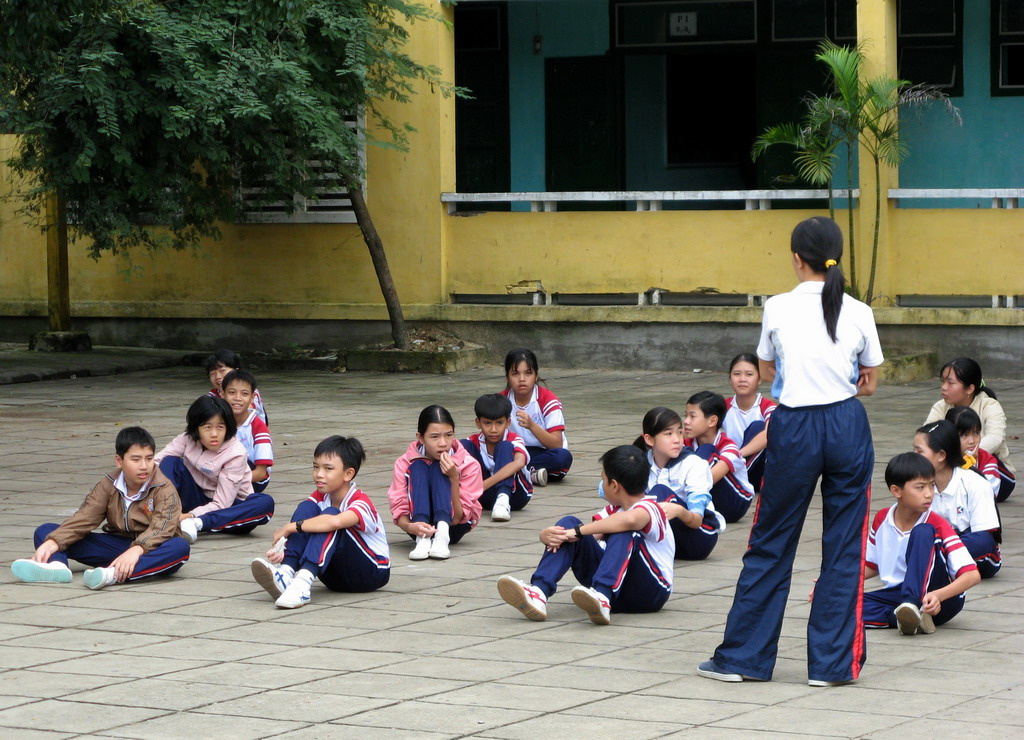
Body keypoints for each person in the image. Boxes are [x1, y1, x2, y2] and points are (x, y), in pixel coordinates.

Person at [699, 216, 883, 687]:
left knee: (772, 541)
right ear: (836, 257)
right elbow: (870, 381)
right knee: (844, 547)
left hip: (795, 424)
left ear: (797, 259)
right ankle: (833, 666)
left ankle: (743, 658)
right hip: (846, 423)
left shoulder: (777, 307)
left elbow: (765, 368)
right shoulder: (859, 310)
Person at [496, 445, 683, 625]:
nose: (601, 483)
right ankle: (539, 593)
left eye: (603, 478)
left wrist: (578, 531)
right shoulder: (611, 511)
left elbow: (631, 520)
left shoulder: (651, 507)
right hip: (618, 592)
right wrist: (550, 536)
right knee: (568, 523)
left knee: (623, 531)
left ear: (615, 485)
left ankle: (602, 595)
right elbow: (585, 538)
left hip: (649, 593)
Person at [11, 427, 190, 590]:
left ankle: (111, 575)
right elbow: (86, 517)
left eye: (149, 459)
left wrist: (137, 550)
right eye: (136, 459)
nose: (144, 466)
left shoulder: (164, 488)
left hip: (152, 550)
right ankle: (57, 567)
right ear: (119, 461)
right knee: (47, 531)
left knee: (180, 547)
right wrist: (55, 542)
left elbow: (162, 528)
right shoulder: (109, 484)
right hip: (117, 546)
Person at [251, 436, 390, 609]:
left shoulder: (360, 502)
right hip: (334, 579)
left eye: (328, 468)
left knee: (330, 517)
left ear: (348, 473)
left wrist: (290, 527)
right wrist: (284, 550)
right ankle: (286, 573)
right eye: (316, 467)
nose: (319, 474)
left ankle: (302, 584)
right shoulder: (319, 498)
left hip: (370, 573)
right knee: (307, 509)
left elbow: (335, 521)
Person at [856, 452, 980, 635]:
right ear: (896, 491)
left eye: (931, 485)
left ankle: (911, 606)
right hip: (897, 594)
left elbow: (972, 575)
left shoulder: (936, 523)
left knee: (923, 531)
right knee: (840, 606)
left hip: (940, 597)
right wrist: (832, 583)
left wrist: (939, 595)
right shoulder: (882, 519)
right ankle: (905, 619)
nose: (929, 494)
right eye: (920, 487)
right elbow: (871, 565)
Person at [156, 395, 275, 543]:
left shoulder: (235, 453)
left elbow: (222, 503)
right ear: (196, 428)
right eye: (207, 427)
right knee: (169, 462)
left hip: (228, 510)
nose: (214, 434)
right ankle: (165, 513)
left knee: (264, 503)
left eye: (220, 427)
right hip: (197, 497)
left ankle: (195, 524)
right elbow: (157, 460)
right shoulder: (187, 439)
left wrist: (192, 516)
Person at [387, 405, 483, 560]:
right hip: (417, 525)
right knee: (418, 466)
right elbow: (399, 504)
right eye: (434, 437)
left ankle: (441, 539)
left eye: (448, 435)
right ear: (420, 437)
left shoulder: (468, 464)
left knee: (440, 468)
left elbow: (459, 517)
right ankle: (422, 540)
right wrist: (410, 526)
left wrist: (453, 478)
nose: (443, 443)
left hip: (452, 526)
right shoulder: (404, 463)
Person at [914, 421, 1001, 579]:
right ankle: (935, 562)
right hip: (935, 541)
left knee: (982, 542)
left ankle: (933, 561)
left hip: (972, 548)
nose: (913, 457)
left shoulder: (975, 483)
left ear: (941, 455)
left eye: (919, 452)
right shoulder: (914, 484)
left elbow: (983, 535)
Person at [634, 407, 724, 560]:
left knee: (661, 492)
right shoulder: (641, 463)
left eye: (680, 432)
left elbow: (696, 520)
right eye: (669, 434)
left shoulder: (694, 464)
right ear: (649, 439)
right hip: (664, 538)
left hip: (698, 537)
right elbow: (610, 490)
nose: (677, 439)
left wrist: (678, 511)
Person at [924, 357, 1014, 497]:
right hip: (951, 465)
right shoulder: (940, 407)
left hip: (989, 469)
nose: (944, 387)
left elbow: (995, 438)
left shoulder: (989, 405)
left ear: (970, 388)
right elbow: (927, 437)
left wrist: (961, 455)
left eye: (950, 383)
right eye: (943, 381)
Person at [500, 348, 572, 485]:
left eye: (528, 373)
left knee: (562, 458)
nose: (522, 379)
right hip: (514, 452)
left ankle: (513, 473)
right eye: (515, 374)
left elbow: (556, 444)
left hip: (542, 452)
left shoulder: (548, 400)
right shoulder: (501, 400)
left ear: (536, 375)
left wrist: (532, 425)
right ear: (507, 377)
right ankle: (530, 474)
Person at [683, 391, 754, 523]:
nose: (686, 421)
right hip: (705, 496)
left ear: (712, 421)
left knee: (706, 451)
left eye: (692, 416)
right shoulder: (685, 443)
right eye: (685, 415)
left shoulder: (729, 447)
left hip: (734, 503)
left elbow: (707, 479)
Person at [461, 393, 532, 522]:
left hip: (516, 496)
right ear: (478, 423)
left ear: (508, 422)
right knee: (463, 446)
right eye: (487, 423)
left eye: (499, 423)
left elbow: (519, 462)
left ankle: (502, 501)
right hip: (483, 494)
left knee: (504, 446)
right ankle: (464, 499)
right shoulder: (473, 441)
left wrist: (484, 485)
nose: (493, 429)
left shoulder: (513, 439)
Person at [723, 352, 776, 493]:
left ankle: (730, 479)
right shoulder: (723, 407)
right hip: (733, 467)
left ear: (759, 379)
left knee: (759, 427)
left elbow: (767, 436)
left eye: (749, 374)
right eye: (737, 374)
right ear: (730, 378)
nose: (742, 379)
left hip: (761, 473)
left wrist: (735, 457)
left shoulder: (768, 407)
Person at [221, 369, 273, 493]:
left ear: (252, 398)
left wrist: (229, 481)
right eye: (232, 392)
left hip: (253, 478)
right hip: (223, 475)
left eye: (244, 394)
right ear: (222, 395)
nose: (237, 398)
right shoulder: (217, 421)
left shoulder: (258, 427)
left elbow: (261, 473)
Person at [945, 406, 1013, 501]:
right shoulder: (940, 456)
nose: (972, 441)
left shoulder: (987, 460)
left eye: (976, 433)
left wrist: (970, 465)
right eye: (965, 435)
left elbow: (987, 493)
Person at [205, 348, 267, 423]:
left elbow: (247, 411)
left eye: (222, 371)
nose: (218, 377)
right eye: (212, 374)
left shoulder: (249, 392)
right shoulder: (211, 396)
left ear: (236, 371)